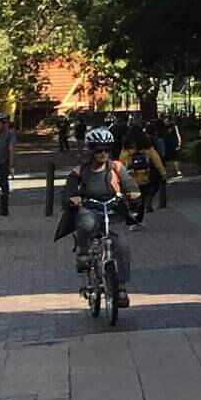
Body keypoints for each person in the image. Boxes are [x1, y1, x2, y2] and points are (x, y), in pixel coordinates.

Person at [66, 124, 139, 309]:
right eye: (99, 151)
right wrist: (73, 196)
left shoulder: (117, 167)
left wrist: (132, 193)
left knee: (122, 247)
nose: (104, 154)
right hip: (90, 208)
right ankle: (83, 254)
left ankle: (121, 288)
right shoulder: (81, 170)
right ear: (92, 151)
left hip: (113, 210)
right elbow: (70, 184)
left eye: (107, 150)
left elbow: (129, 184)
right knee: (86, 224)